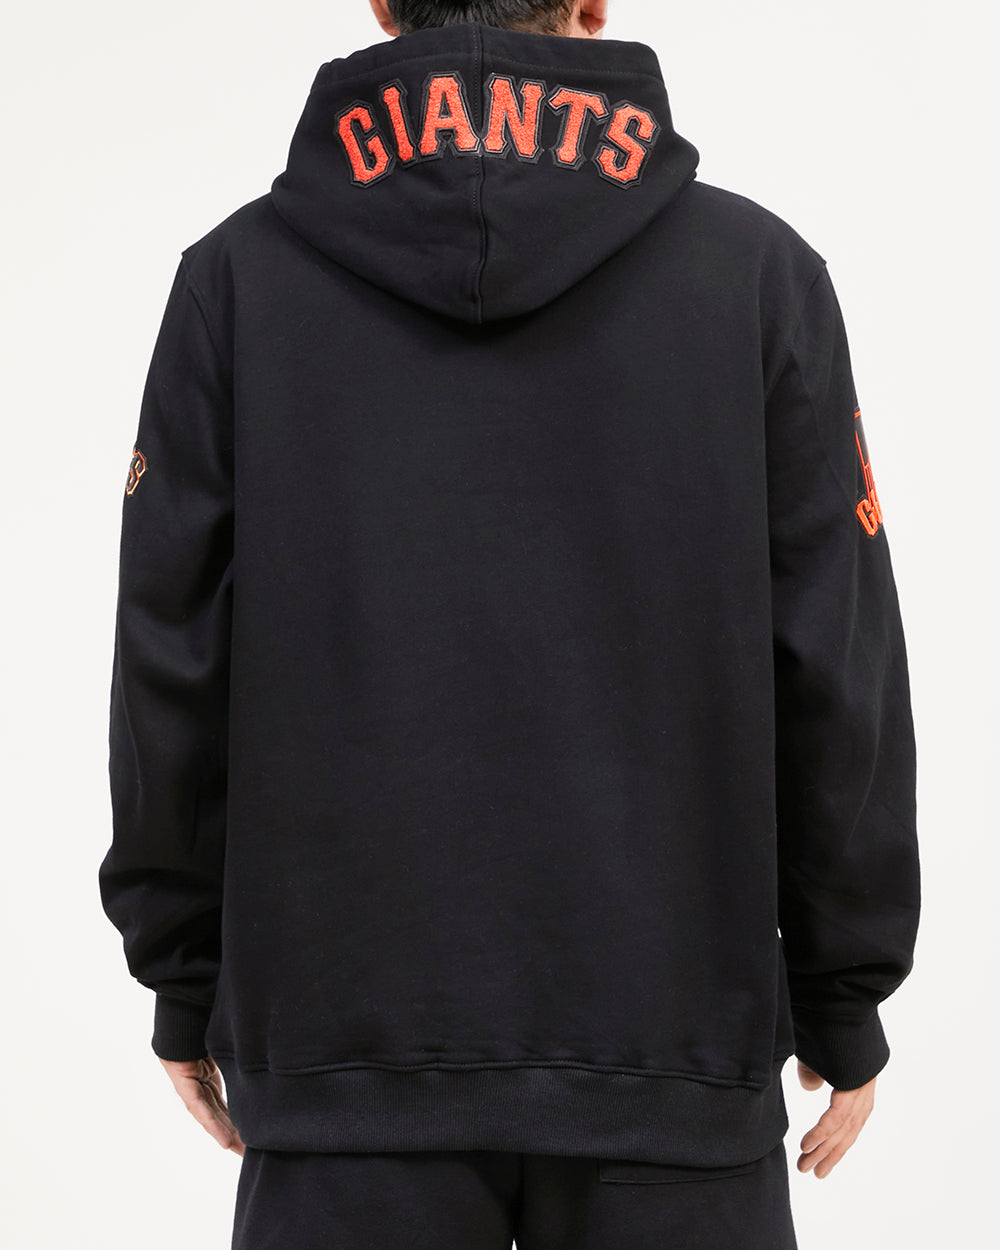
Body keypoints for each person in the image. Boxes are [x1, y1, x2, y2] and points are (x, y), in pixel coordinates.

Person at [97, 0, 921, 1245]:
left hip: (345, 1071)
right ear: (589, 2)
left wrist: (183, 973)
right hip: (672, 1066)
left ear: (383, 3)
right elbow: (834, 664)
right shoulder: (758, 276)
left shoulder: (235, 281)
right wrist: (842, 985)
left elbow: (171, 660)